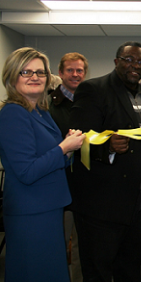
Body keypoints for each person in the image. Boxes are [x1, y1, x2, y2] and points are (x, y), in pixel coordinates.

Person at [69, 41, 141, 282]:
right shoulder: (94, 89)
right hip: (103, 203)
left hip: (138, 200)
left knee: (131, 264)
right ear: (116, 61)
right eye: (129, 60)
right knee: (99, 266)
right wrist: (107, 147)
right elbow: (78, 139)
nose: (135, 66)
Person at [0, 47, 85, 282]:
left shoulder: (39, 111)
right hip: (30, 213)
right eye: (26, 72)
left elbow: (51, 158)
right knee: (34, 272)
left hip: (48, 207)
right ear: (11, 76)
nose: (34, 77)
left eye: (40, 72)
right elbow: (27, 171)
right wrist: (64, 147)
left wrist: (68, 145)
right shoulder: (13, 113)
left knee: (50, 272)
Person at [49, 51, 89, 282]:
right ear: (61, 72)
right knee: (58, 243)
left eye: (79, 70)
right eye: (70, 70)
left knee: (84, 247)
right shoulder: (49, 105)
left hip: (86, 184)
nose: (75, 74)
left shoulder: (91, 100)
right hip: (58, 182)